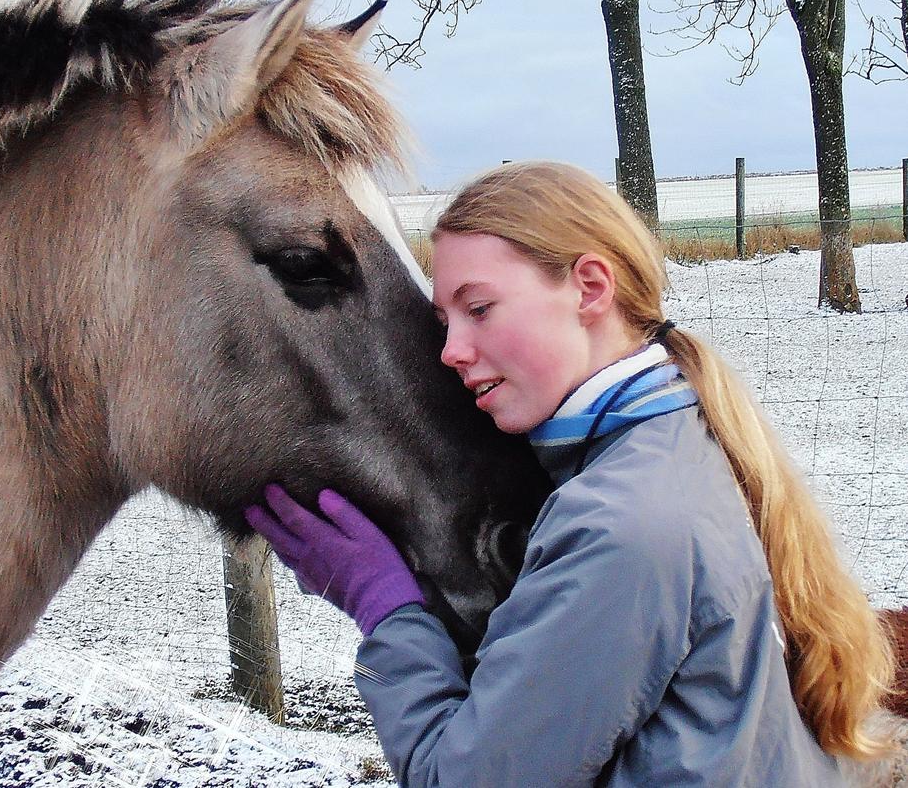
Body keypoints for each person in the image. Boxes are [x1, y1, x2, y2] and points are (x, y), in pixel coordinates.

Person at [245, 161, 895, 786]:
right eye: (444, 322)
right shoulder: (675, 443)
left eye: (480, 309)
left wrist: (385, 608)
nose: (450, 352)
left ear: (589, 288)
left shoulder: (624, 526)